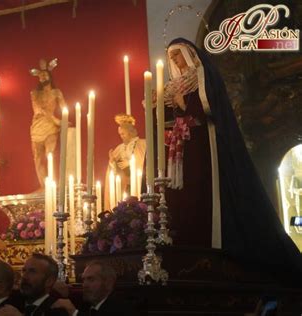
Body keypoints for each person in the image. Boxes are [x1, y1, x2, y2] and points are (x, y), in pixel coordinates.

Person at [162, 38, 302, 284]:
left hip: (204, 147)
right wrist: (159, 102)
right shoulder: (176, 84)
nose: (174, 60)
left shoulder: (203, 77)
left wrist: (182, 102)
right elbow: (173, 118)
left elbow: (208, 112)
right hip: (184, 152)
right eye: (171, 57)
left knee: (204, 193)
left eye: (177, 55)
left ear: (190, 54)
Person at [29, 58, 67, 190]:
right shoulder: (35, 94)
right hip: (37, 128)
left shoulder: (56, 92)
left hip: (51, 129)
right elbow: (38, 109)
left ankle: (53, 185)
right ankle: (44, 186)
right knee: (38, 159)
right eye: (40, 75)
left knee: (49, 155)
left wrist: (63, 120)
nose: (43, 77)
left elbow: (64, 109)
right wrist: (56, 120)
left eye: (45, 74)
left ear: (50, 75)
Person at [51, 261, 138, 316]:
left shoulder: (121, 308)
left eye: (91, 279)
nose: (84, 285)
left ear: (108, 283)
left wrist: (73, 312)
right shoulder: (90, 303)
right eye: (84, 280)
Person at [0, 253, 68, 316]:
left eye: (32, 272)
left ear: (49, 281)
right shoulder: (10, 301)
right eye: (24, 271)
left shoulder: (57, 309)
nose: (24, 276)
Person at [104, 114, 146, 210]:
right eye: (120, 134)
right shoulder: (119, 148)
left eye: (123, 134)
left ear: (130, 132)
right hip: (124, 185)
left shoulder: (142, 144)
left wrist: (131, 164)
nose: (121, 136)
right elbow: (114, 170)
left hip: (139, 183)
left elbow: (144, 162)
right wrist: (112, 162)